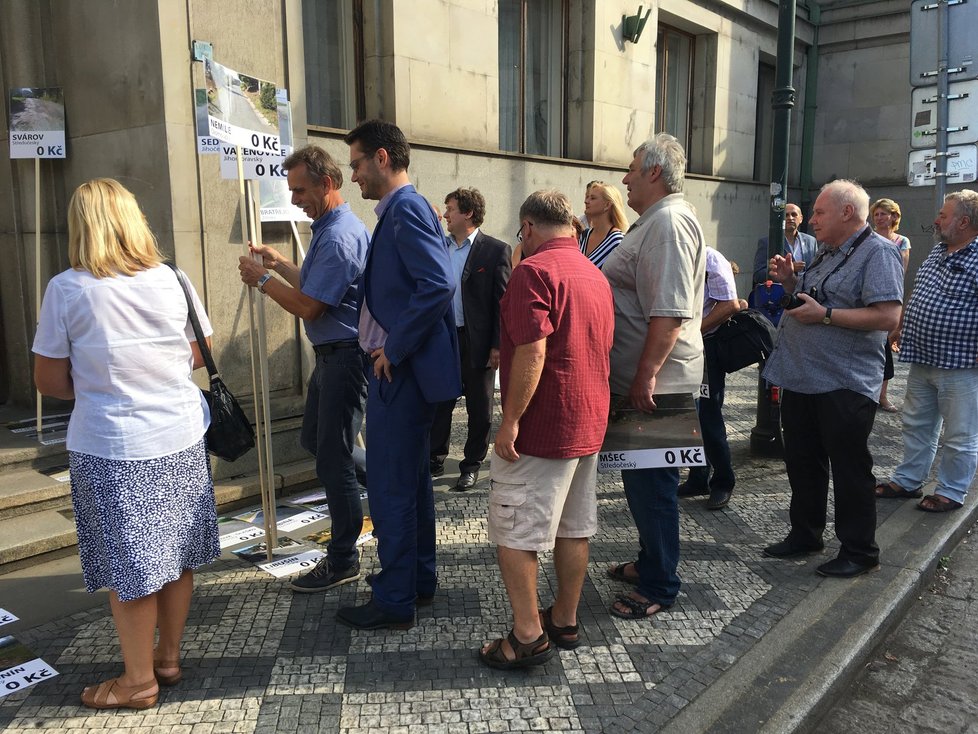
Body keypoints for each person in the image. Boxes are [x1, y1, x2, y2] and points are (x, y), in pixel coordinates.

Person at [32, 179, 220, 710]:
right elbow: (201, 351)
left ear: (82, 226)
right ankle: (167, 657)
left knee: (130, 565)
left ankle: (138, 681)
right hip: (181, 434)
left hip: (114, 443)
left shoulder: (68, 288)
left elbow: (48, 381)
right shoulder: (173, 278)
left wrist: (100, 386)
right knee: (176, 554)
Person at [479, 190, 614, 669]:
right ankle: (564, 618)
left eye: (521, 233)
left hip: (542, 426)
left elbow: (533, 352)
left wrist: (510, 422)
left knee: (515, 533)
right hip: (588, 420)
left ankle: (528, 635)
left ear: (529, 228)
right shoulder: (595, 274)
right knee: (574, 527)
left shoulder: (532, 272)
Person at [336, 119, 461, 630]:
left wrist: (395, 347)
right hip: (404, 372)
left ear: (383, 158)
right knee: (408, 483)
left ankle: (394, 599)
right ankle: (416, 581)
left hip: (399, 373)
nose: (354, 177)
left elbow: (437, 284)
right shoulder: (406, 208)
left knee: (390, 487)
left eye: (357, 164)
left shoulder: (406, 208)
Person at [237, 145, 369, 593]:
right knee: (317, 441)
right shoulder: (331, 229)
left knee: (333, 460)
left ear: (327, 184)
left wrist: (262, 280)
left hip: (345, 357)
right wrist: (281, 264)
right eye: (290, 190)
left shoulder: (338, 235)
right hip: (333, 357)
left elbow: (311, 307)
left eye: (300, 190)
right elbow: (317, 287)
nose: (294, 199)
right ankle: (384, 484)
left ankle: (343, 558)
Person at [762, 179, 903, 578]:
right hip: (803, 376)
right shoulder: (825, 252)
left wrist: (825, 316)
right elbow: (813, 300)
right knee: (803, 462)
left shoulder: (878, 253)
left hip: (844, 381)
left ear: (847, 212)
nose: (813, 219)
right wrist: (791, 284)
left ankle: (860, 551)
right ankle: (805, 534)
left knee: (848, 467)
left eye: (820, 212)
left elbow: (888, 317)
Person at [602, 133, 705, 619]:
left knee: (653, 486)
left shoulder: (667, 223)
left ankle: (660, 585)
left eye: (631, 167)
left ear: (654, 173)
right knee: (642, 482)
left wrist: (644, 378)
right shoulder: (657, 221)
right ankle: (650, 563)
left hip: (655, 385)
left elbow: (668, 313)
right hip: (644, 380)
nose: (624, 177)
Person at [876, 190, 978, 513]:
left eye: (944, 216)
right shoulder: (938, 251)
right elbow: (919, 292)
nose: (936, 220)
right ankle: (908, 480)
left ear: (964, 222)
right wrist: (900, 324)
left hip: (962, 364)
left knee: (960, 434)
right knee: (916, 424)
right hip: (922, 356)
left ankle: (950, 491)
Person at [429, 187, 512, 491]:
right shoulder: (439, 246)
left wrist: (497, 344)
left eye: (451, 209)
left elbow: (501, 302)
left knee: (480, 408)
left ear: (468, 213)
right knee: (439, 401)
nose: (446, 215)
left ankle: (472, 464)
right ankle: (434, 457)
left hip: (477, 341)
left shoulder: (495, 250)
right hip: (443, 339)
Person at [679, 246, 741, 509]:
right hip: (682, 348)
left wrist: (693, 331)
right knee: (690, 417)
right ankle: (698, 477)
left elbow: (730, 304)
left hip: (706, 347)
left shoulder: (711, 257)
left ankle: (723, 481)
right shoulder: (674, 254)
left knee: (709, 417)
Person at [870, 197, 912, 413]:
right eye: (876, 214)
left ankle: (882, 396)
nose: (879, 218)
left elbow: (899, 273)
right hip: (868, 297)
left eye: (883, 214)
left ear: (894, 216)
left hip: (889, 295)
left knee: (884, 349)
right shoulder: (868, 238)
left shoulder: (901, 241)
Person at [752, 203, 819, 284]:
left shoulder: (811, 241)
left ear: (801, 219)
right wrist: (789, 268)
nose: (790, 218)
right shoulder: (767, 242)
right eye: (786, 215)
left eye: (794, 214)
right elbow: (758, 275)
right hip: (779, 293)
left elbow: (817, 270)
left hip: (805, 293)